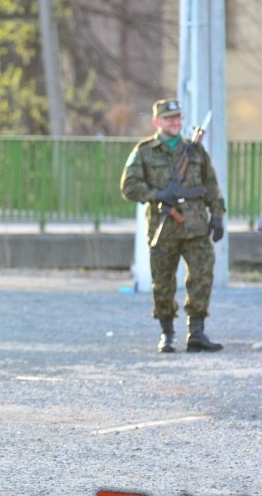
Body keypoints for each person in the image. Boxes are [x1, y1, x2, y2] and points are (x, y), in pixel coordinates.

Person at [121, 98, 225, 353]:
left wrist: (217, 215)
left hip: (196, 226)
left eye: (178, 117)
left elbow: (211, 185)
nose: (175, 122)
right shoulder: (144, 151)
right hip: (163, 227)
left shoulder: (195, 151)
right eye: (169, 118)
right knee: (163, 282)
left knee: (202, 277)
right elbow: (129, 186)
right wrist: (157, 194)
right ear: (157, 121)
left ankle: (196, 332)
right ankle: (167, 333)